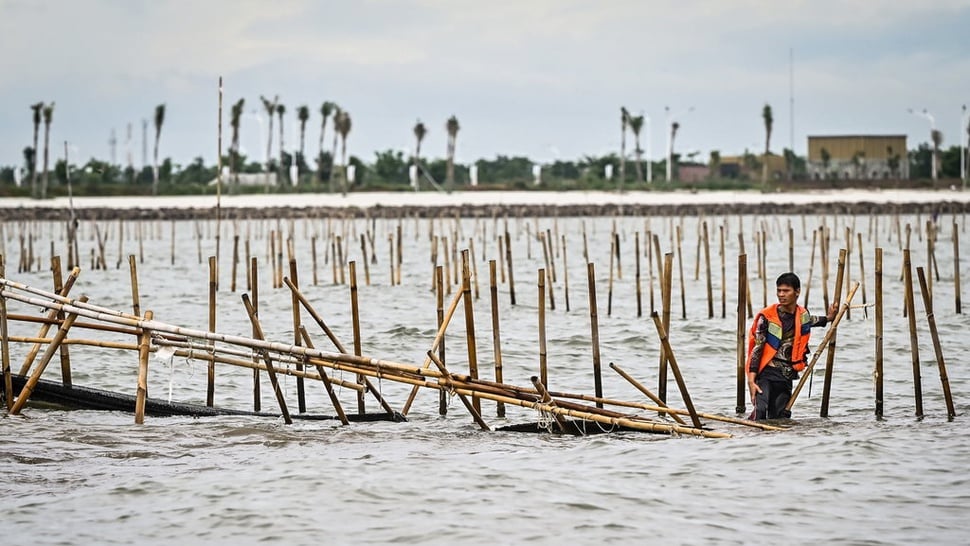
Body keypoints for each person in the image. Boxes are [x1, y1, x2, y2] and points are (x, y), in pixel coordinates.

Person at [747, 272, 837, 420]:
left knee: (780, 418)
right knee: (760, 413)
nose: (781, 295)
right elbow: (757, 349)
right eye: (779, 290)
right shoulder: (767, 317)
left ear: (797, 292)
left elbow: (812, 321)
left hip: (786, 376)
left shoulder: (802, 315)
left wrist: (829, 318)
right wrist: (751, 380)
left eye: (786, 291)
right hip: (766, 374)